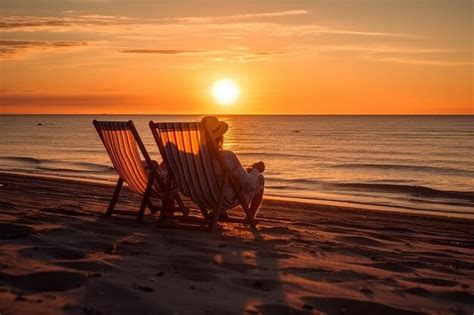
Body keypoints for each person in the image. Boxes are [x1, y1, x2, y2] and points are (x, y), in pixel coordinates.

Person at [201, 116, 265, 218]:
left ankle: (219, 213)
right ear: (220, 137)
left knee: (227, 179)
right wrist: (256, 170)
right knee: (260, 179)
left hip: (203, 198)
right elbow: (248, 185)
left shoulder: (195, 157)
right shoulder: (226, 156)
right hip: (224, 200)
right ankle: (250, 217)